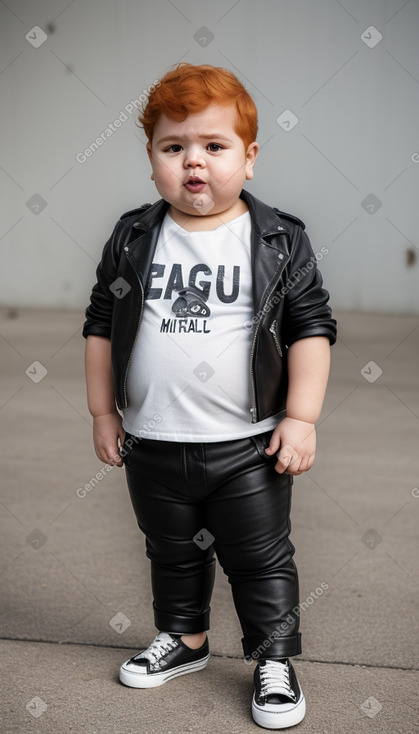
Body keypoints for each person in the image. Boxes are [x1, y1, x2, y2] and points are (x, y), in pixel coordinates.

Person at [83, 63, 337, 730]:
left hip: (246, 446)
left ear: (249, 159)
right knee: (169, 550)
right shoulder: (134, 237)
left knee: (259, 558)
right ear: (151, 161)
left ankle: (273, 659)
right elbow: (101, 325)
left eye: (214, 146)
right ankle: (185, 640)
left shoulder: (279, 238)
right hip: (152, 439)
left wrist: (302, 418)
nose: (194, 161)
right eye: (174, 148)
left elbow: (311, 326)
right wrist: (103, 411)